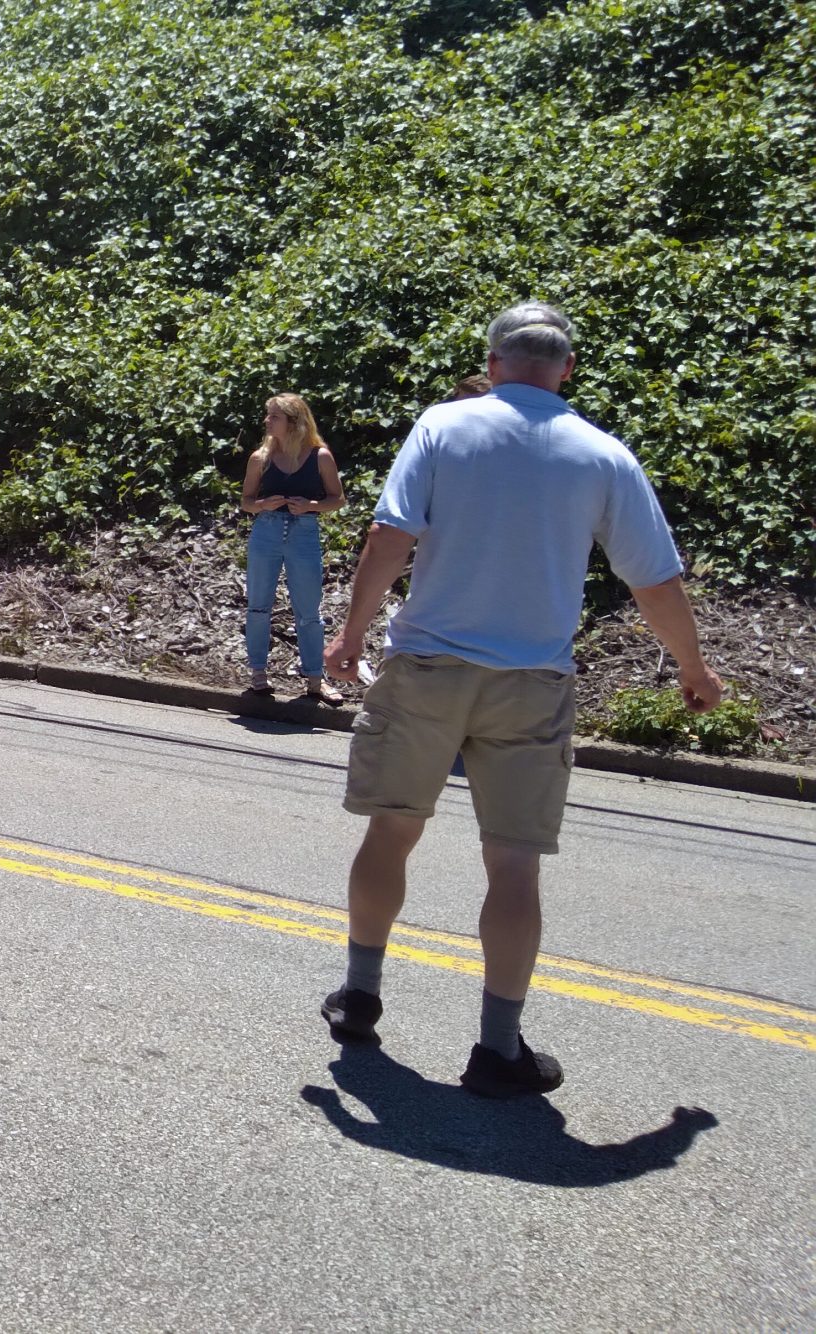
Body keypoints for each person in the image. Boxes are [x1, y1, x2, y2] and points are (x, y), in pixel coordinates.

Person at [319, 301, 724, 1098]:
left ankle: (361, 994)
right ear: (566, 369)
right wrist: (693, 669)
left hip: (428, 666)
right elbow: (654, 579)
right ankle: (497, 1049)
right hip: (532, 683)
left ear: (494, 362)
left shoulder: (443, 426)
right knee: (513, 864)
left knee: (391, 830)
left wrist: (351, 633)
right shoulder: (603, 454)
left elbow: (390, 536)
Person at [239, 393, 345, 702]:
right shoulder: (260, 457)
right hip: (266, 531)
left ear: (294, 422)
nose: (267, 421)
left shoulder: (320, 456)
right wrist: (263, 504)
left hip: (304, 533)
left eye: (274, 416)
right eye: (268, 414)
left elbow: (337, 499)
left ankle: (315, 679)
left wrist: (312, 505)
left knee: (309, 610)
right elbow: (246, 502)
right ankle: (258, 673)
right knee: (258, 606)